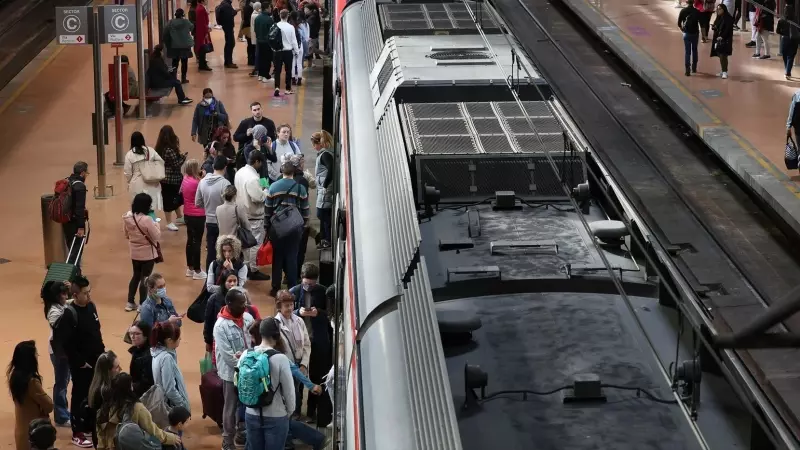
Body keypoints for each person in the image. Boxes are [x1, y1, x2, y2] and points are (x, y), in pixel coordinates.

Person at [55, 275, 104, 448]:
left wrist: (102, 354)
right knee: (79, 396)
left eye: (89, 291)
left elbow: (97, 333)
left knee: (94, 394)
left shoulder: (91, 306)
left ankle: (89, 424)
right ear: (75, 295)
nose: (89, 295)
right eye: (85, 293)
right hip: (82, 365)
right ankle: (77, 431)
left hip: (97, 361)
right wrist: (80, 362)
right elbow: (66, 344)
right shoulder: (70, 314)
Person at [240, 318, 295, 449]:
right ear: (277, 335)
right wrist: (289, 411)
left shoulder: (245, 354)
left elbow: (239, 383)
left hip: (251, 413)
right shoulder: (281, 359)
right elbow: (289, 392)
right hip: (275, 415)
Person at [289, 263, 331, 423]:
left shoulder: (323, 292)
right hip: (299, 343)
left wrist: (318, 313)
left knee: (316, 376)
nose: (309, 287)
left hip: (318, 341)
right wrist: (297, 312)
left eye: (312, 284)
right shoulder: (294, 292)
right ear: (301, 278)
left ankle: (312, 412)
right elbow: (284, 314)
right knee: (298, 376)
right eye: (306, 284)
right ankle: (296, 411)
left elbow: (331, 314)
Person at [214, 289, 255, 450]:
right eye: (241, 303)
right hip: (231, 374)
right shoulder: (221, 326)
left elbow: (255, 342)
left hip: (249, 370)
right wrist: (246, 365)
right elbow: (228, 356)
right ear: (229, 304)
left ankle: (242, 434)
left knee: (246, 405)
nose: (245, 306)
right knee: (230, 407)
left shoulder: (247, 318)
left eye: (245, 302)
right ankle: (227, 441)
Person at [95, 373, 180, 449]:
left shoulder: (104, 408)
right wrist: (171, 438)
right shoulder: (136, 407)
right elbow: (153, 430)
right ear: (129, 388)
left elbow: (101, 438)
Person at [266, 160, 310, 295]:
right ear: (294, 172)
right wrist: (303, 227)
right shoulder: (300, 189)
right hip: (294, 228)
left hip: (277, 228)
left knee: (277, 257)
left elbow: (268, 209)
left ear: (281, 172)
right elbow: (305, 211)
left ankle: (275, 287)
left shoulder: (273, 187)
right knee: (292, 256)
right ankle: (292, 286)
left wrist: (267, 227)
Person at [8, 341, 54, 450]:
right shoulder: (32, 382)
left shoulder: (14, 377)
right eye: (35, 354)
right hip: (35, 433)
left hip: (21, 432)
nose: (37, 357)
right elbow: (49, 405)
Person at [123, 193, 162, 312]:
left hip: (134, 253)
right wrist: (157, 225)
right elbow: (156, 236)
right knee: (145, 278)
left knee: (135, 276)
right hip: (147, 254)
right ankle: (142, 303)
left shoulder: (128, 218)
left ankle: (130, 302)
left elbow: (126, 235)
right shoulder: (147, 220)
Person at [235, 149, 271, 279]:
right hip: (253, 214)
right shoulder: (253, 178)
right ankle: (253, 270)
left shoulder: (240, 172)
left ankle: (246, 267)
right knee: (255, 243)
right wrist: (267, 191)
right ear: (256, 162)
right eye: (260, 163)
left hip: (241, 211)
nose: (261, 166)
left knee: (245, 243)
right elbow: (258, 198)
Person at [275, 291, 310, 417]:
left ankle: (297, 417)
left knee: (298, 394)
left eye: (291, 304)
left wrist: (304, 364)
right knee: (288, 395)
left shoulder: (299, 321)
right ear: (279, 306)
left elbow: (306, 344)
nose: (290, 308)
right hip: (286, 367)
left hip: (301, 366)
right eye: (286, 305)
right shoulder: (275, 325)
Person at [42, 280, 71, 428]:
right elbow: (62, 326)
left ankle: (63, 411)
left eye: (66, 293)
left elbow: (74, 302)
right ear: (56, 296)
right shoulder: (53, 311)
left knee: (65, 381)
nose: (66, 296)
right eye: (63, 294)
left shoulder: (61, 305)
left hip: (65, 351)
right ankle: (61, 416)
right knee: (61, 383)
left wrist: (75, 290)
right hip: (58, 353)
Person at [196, 156, 232, 268]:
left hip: (209, 221)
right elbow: (230, 204)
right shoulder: (225, 183)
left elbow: (198, 202)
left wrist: (207, 207)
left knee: (211, 252)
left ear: (213, 166)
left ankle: (209, 278)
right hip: (223, 222)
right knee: (225, 252)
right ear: (225, 168)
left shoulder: (202, 182)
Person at [155, 125, 188, 231]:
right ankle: (169, 221)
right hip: (171, 179)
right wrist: (183, 157)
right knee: (170, 199)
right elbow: (176, 164)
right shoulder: (169, 150)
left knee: (174, 198)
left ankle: (179, 216)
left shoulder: (160, 148)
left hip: (165, 178)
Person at [151, 322, 191, 410]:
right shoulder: (166, 358)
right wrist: (183, 405)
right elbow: (170, 389)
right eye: (178, 337)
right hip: (171, 407)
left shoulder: (157, 352)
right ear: (169, 340)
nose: (180, 338)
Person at [85, 351, 122, 449]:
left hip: (99, 437)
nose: (120, 369)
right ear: (108, 371)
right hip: (106, 440)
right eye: (117, 367)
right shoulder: (106, 392)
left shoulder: (95, 386)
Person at [124, 131, 165, 211]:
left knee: (138, 208)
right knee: (150, 207)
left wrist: (129, 182)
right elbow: (161, 161)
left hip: (136, 183)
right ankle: (151, 222)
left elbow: (127, 172)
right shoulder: (150, 151)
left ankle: (139, 223)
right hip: (152, 182)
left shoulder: (129, 154)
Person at [182, 159, 207, 280]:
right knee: (197, 241)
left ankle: (190, 268)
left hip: (187, 213)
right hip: (198, 214)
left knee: (190, 240)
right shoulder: (198, 182)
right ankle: (198, 270)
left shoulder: (185, 179)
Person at [204, 270, 241, 351]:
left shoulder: (242, 298)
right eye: (229, 281)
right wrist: (208, 341)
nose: (232, 284)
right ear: (224, 282)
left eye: (235, 281)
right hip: (218, 338)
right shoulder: (214, 299)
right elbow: (208, 322)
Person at [63, 161, 89, 267]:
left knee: (71, 247)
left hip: (66, 220)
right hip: (75, 222)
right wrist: (81, 227)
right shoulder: (79, 186)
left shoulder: (67, 181)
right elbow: (79, 209)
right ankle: (73, 277)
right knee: (76, 251)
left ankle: (75, 274)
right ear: (82, 173)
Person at [311, 131, 333, 247]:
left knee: (322, 214)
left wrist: (324, 185)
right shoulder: (323, 154)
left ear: (319, 143)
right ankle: (325, 238)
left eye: (314, 144)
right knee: (322, 214)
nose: (313, 147)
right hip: (323, 188)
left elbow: (331, 170)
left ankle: (328, 239)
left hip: (325, 189)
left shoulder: (325, 155)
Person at [164, 8, 194, 84]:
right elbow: (192, 27)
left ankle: (173, 78)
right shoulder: (186, 22)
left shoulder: (170, 23)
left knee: (174, 63)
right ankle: (183, 78)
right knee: (184, 62)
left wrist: (167, 44)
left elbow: (165, 33)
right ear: (183, 15)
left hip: (174, 45)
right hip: (185, 45)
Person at [274, 9, 299, 97]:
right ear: (287, 16)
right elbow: (294, 41)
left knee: (277, 70)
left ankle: (277, 87)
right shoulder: (290, 27)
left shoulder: (275, 25)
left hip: (277, 51)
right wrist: (297, 51)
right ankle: (287, 89)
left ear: (280, 16)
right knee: (288, 70)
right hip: (288, 51)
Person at [127, 320, 155, 398]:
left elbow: (146, 383)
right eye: (131, 333)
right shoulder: (137, 350)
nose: (132, 337)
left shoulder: (148, 356)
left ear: (146, 336)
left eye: (136, 334)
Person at [710, 3, 734, 79]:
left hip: (725, 40)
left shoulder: (728, 18)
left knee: (723, 56)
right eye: (717, 9)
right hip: (718, 40)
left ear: (724, 9)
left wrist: (722, 36)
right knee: (720, 55)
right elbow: (716, 26)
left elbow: (728, 29)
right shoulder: (719, 18)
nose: (718, 10)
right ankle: (723, 70)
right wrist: (714, 27)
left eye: (719, 9)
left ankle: (725, 72)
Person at [254, 3, 275, 82]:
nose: (270, 9)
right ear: (266, 8)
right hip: (267, 42)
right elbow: (272, 32)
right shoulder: (269, 19)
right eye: (270, 7)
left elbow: (255, 30)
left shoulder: (257, 18)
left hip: (259, 41)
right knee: (267, 59)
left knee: (261, 58)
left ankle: (260, 75)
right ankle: (266, 76)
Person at [678, 0, 700, 76]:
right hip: (695, 33)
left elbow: (679, 23)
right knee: (694, 50)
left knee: (687, 52)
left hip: (686, 33)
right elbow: (701, 24)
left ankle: (687, 69)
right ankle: (694, 67)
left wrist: (683, 31)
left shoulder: (683, 11)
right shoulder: (697, 11)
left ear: (687, 2)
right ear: (693, 2)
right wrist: (704, 36)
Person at [778, 4, 800, 79]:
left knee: (785, 56)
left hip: (785, 39)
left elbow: (777, 31)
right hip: (794, 40)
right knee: (791, 56)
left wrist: (783, 33)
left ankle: (787, 70)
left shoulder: (781, 20)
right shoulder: (796, 20)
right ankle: (788, 71)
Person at [217, 0, 238, 68]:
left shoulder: (224, 4)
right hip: (228, 27)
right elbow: (230, 15)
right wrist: (236, 11)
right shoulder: (227, 6)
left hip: (226, 26)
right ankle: (229, 62)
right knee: (230, 43)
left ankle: (227, 61)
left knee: (229, 43)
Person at [193, 0, 212, 71]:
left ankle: (202, 63)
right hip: (202, 32)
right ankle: (202, 64)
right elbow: (202, 22)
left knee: (202, 48)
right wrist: (206, 30)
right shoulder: (200, 9)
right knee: (202, 48)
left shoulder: (200, 8)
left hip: (201, 31)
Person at [249, 2, 262, 76]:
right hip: (257, 37)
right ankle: (257, 68)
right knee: (257, 53)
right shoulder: (255, 15)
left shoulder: (255, 14)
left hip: (256, 36)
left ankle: (257, 67)